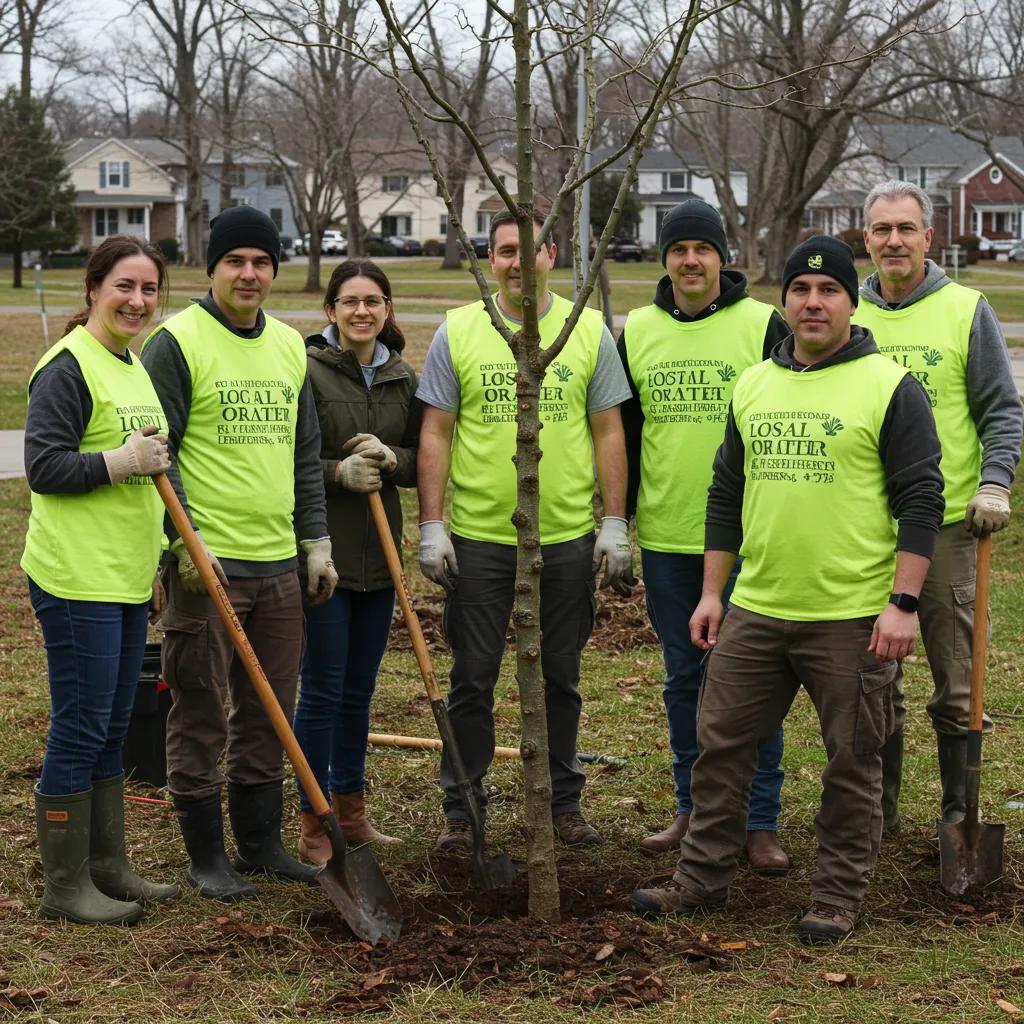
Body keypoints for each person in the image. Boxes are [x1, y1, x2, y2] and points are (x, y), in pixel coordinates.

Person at [629, 236, 944, 944]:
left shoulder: (891, 387)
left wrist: (903, 603)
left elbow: (922, 499)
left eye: (828, 290)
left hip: (852, 616)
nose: (812, 302)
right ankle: (702, 876)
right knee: (720, 748)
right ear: (784, 301)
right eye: (800, 291)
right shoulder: (754, 385)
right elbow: (725, 495)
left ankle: (835, 894)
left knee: (852, 761)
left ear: (849, 302)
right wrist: (713, 594)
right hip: (757, 607)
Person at [417, 209, 634, 853]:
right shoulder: (458, 331)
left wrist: (614, 521)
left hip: (565, 538)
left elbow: (608, 431)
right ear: (490, 258)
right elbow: (435, 430)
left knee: (561, 677)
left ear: (553, 254)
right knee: (473, 676)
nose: (518, 261)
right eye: (506, 250)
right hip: (481, 540)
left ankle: (563, 804)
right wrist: (433, 525)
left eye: (531, 249)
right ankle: (464, 811)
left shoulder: (585, 330)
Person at [141, 207, 337, 901]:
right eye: (236, 261)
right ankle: (205, 856)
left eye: (261, 262)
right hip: (208, 569)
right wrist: (183, 543)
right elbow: (159, 457)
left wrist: (315, 540)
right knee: (199, 709)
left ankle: (259, 844)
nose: (249, 274)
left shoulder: (289, 347)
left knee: (270, 709)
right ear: (212, 268)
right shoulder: (177, 343)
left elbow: (305, 454)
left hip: (277, 566)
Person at [619, 198, 790, 868]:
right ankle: (692, 810)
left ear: (723, 256)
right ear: (664, 258)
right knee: (684, 677)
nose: (691, 261)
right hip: (668, 534)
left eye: (703, 249)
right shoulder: (635, 330)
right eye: (679, 249)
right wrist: (619, 520)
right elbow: (624, 432)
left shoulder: (761, 325)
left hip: (750, 537)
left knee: (755, 680)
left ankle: (759, 819)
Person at [854, 180, 1023, 833]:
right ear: (866, 240)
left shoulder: (965, 309)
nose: (893, 240)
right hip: (867, 529)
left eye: (906, 228)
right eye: (881, 230)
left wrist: (995, 482)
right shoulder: (849, 312)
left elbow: (1001, 409)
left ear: (930, 236)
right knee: (873, 680)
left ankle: (960, 816)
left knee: (957, 682)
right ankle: (880, 815)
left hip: (949, 527)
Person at [23, 235, 179, 924]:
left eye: (148, 289)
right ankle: (65, 886)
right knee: (81, 726)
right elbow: (44, 468)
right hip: (76, 576)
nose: (137, 301)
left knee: (114, 725)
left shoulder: (133, 362)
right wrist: (120, 461)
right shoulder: (67, 368)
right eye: (124, 286)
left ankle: (109, 865)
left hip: (121, 574)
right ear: (93, 288)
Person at [293, 259, 422, 863]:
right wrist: (338, 474)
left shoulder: (402, 378)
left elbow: (425, 461)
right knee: (322, 690)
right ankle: (314, 823)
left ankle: (353, 811)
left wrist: (391, 458)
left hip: (381, 559)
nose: (362, 312)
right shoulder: (307, 371)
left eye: (373, 301)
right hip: (327, 554)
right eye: (349, 302)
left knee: (359, 691)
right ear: (331, 311)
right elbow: (291, 463)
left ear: (387, 310)